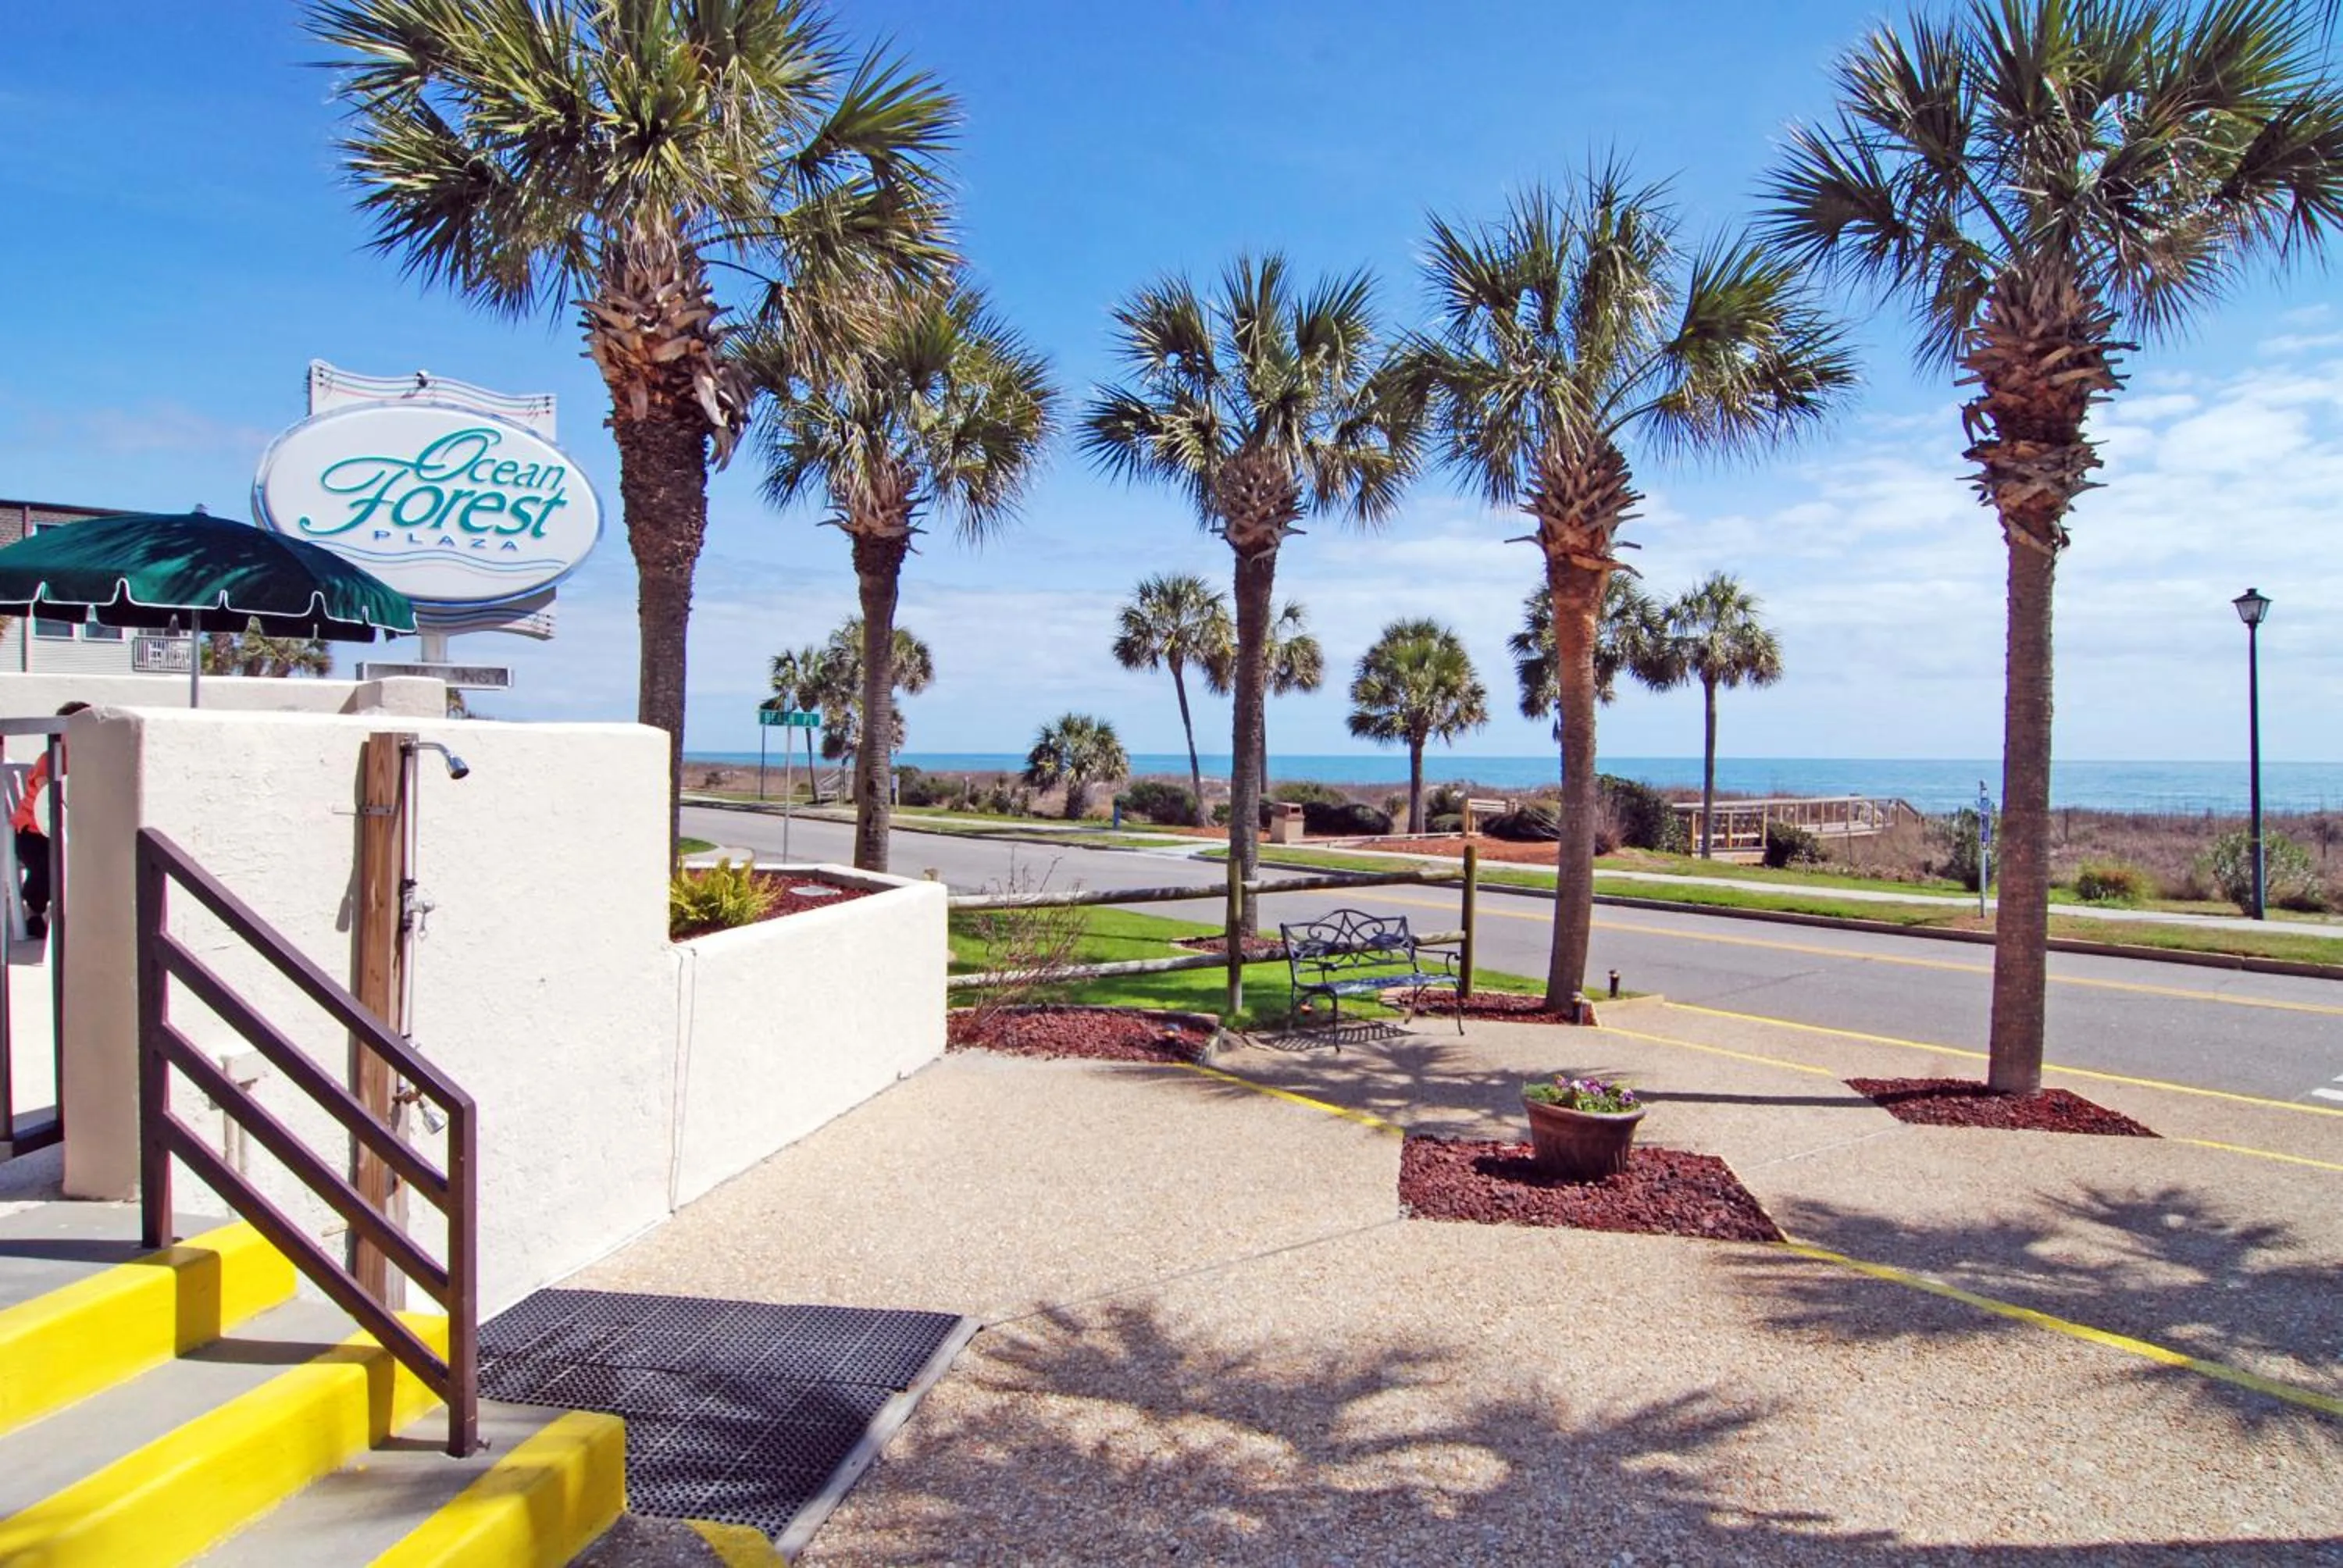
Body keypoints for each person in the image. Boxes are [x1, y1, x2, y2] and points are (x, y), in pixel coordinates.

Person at [13, 701, 89, 942]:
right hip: (33, 832)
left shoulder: (90, 760)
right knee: (48, 864)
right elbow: (49, 796)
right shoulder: (50, 759)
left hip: (67, 830)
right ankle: (34, 907)